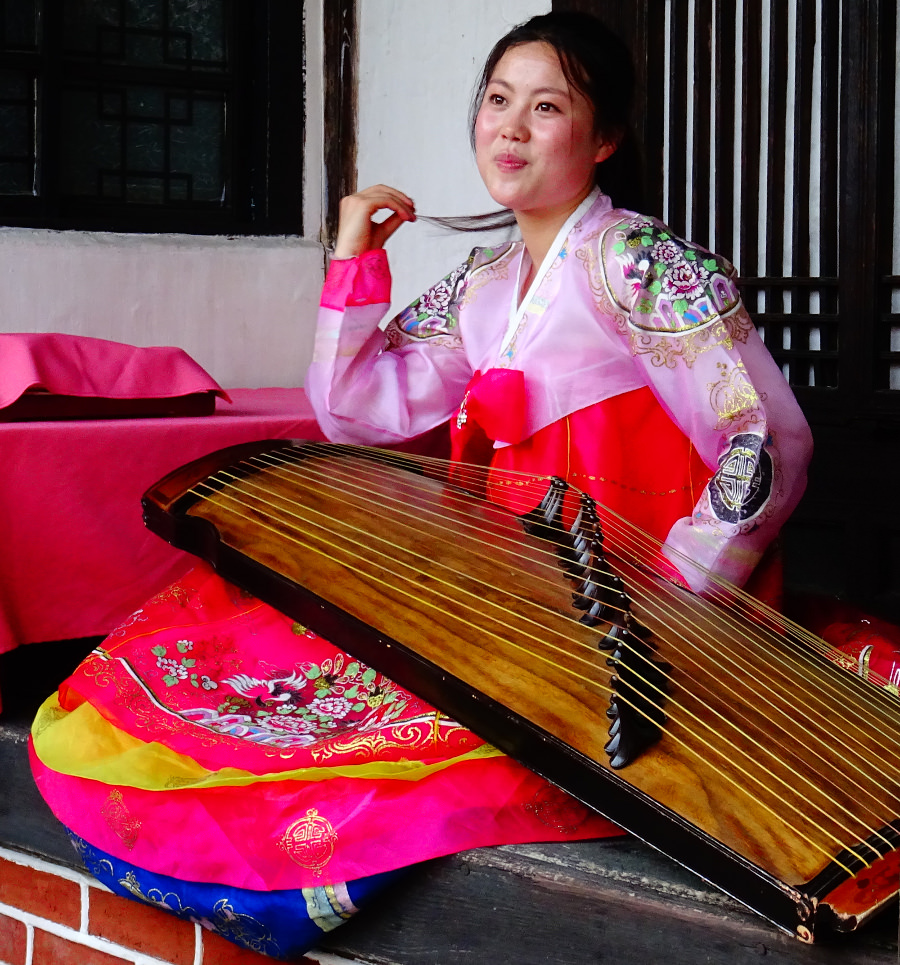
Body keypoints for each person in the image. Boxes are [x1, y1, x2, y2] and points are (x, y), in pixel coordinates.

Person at [30, 11, 812, 962]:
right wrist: (358, 254)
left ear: (604, 139)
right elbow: (360, 407)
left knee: (389, 759)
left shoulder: (644, 267)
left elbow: (762, 438)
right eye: (496, 100)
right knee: (251, 654)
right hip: (518, 592)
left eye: (547, 106)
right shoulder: (484, 281)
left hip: (629, 614)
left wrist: (676, 593)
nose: (510, 127)